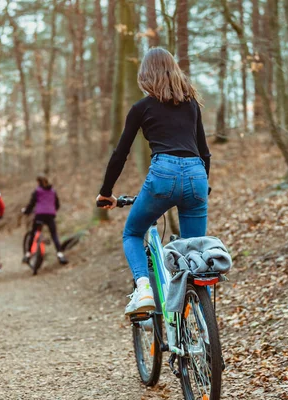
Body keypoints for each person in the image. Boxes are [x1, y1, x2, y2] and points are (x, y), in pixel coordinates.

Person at [96, 48, 211, 316]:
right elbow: (204, 152)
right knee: (193, 253)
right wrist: (203, 187)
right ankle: (197, 326)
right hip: (196, 175)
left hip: (163, 175)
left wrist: (106, 193)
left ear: (145, 75)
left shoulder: (142, 107)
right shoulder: (191, 104)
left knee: (133, 233)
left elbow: (120, 154)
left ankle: (144, 288)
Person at [22, 174, 68, 265]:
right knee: (54, 235)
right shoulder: (53, 191)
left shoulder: (37, 191)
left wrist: (26, 211)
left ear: (38, 182)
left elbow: (31, 204)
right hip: (50, 215)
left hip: (39, 215)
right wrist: (52, 210)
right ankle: (60, 254)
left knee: (33, 233)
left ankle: (27, 254)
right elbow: (57, 205)